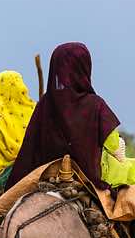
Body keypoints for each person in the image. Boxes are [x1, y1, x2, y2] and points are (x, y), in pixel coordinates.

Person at [7, 42, 135, 190]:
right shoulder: (95, 104)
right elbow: (113, 144)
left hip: (46, 173)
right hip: (89, 174)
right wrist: (119, 150)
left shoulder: (45, 104)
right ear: (84, 67)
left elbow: (30, 148)